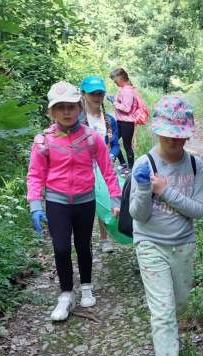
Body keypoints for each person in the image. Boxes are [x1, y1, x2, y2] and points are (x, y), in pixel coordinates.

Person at [129, 95, 203, 356]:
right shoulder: (144, 164)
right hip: (150, 243)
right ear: (157, 131)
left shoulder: (195, 165)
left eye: (179, 134)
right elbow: (138, 215)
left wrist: (165, 191)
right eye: (168, 134)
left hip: (183, 244)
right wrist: (144, 189)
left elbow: (197, 210)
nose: (174, 140)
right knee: (162, 312)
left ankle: (170, 343)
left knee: (178, 305)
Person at [27, 81, 122, 321]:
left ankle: (87, 286)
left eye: (71, 106)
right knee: (60, 247)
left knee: (82, 245)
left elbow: (107, 169)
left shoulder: (91, 138)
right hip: (57, 201)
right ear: (52, 112)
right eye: (60, 108)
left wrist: (115, 198)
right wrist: (35, 205)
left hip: (85, 200)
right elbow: (35, 175)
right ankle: (66, 293)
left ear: (79, 108)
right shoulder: (44, 141)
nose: (66, 112)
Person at [80, 75, 121, 253]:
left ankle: (105, 238)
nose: (97, 97)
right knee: (86, 205)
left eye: (100, 93)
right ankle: (84, 239)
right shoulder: (77, 120)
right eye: (93, 93)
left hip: (104, 167)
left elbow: (115, 145)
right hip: (83, 168)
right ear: (83, 94)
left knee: (103, 201)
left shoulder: (110, 120)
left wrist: (111, 155)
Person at [108, 68, 146, 170]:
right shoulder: (124, 89)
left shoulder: (127, 91)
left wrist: (114, 102)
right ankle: (123, 163)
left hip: (127, 123)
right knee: (113, 141)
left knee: (127, 146)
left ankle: (131, 168)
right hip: (120, 122)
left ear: (120, 77)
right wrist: (115, 100)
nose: (114, 81)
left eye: (114, 79)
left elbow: (127, 108)